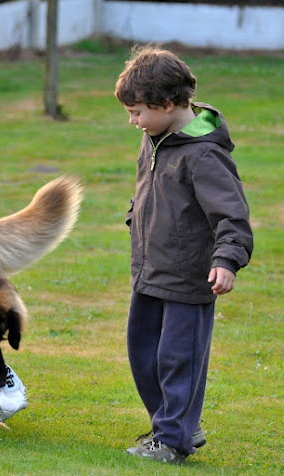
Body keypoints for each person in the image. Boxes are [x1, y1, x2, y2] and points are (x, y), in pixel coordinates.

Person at [114, 45, 253, 464]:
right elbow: (150, 192)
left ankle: (173, 440)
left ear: (169, 104)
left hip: (189, 279)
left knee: (178, 358)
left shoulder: (203, 155)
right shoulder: (155, 138)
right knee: (143, 354)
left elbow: (232, 214)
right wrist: (135, 215)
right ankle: (178, 425)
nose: (133, 121)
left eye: (137, 111)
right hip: (150, 270)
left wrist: (226, 259)